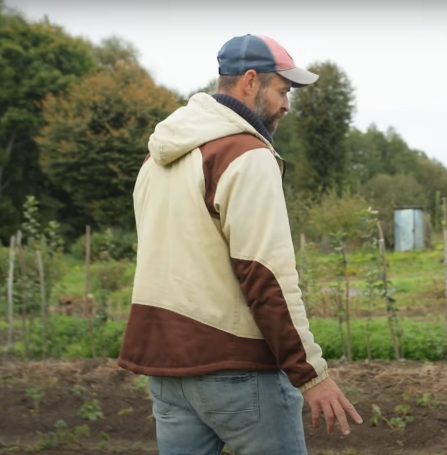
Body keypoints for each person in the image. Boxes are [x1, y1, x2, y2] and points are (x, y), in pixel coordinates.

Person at [117, 34, 362, 455]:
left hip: (167, 371)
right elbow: (266, 275)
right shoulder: (246, 155)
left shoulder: (155, 162)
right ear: (251, 81)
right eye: (283, 91)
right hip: (236, 371)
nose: (287, 105)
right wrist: (311, 375)